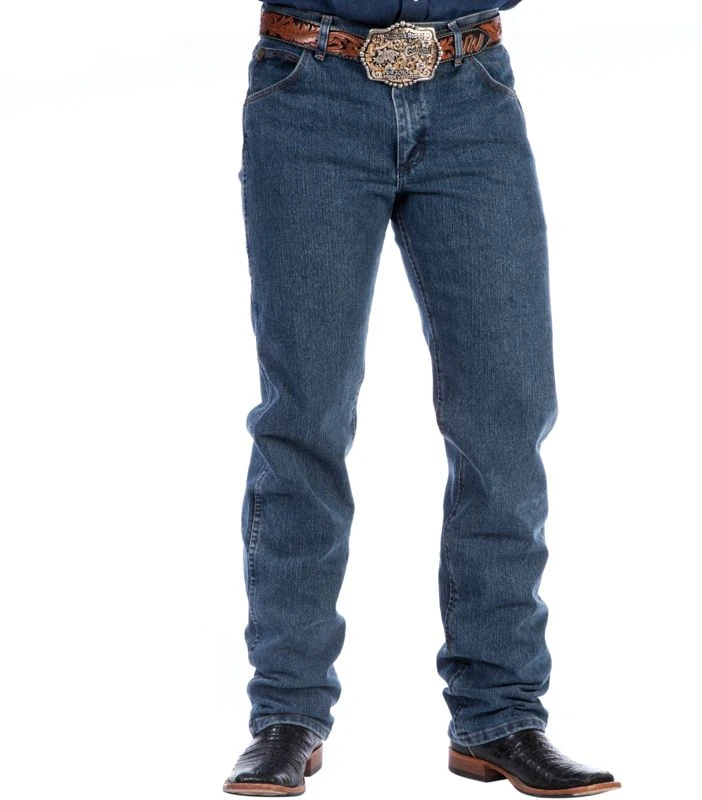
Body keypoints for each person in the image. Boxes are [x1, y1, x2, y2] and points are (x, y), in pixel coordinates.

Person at [223, 2, 621, 796]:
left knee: (506, 417)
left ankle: (501, 715)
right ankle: (287, 715)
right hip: (311, 84)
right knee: (305, 417)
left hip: (471, 88)